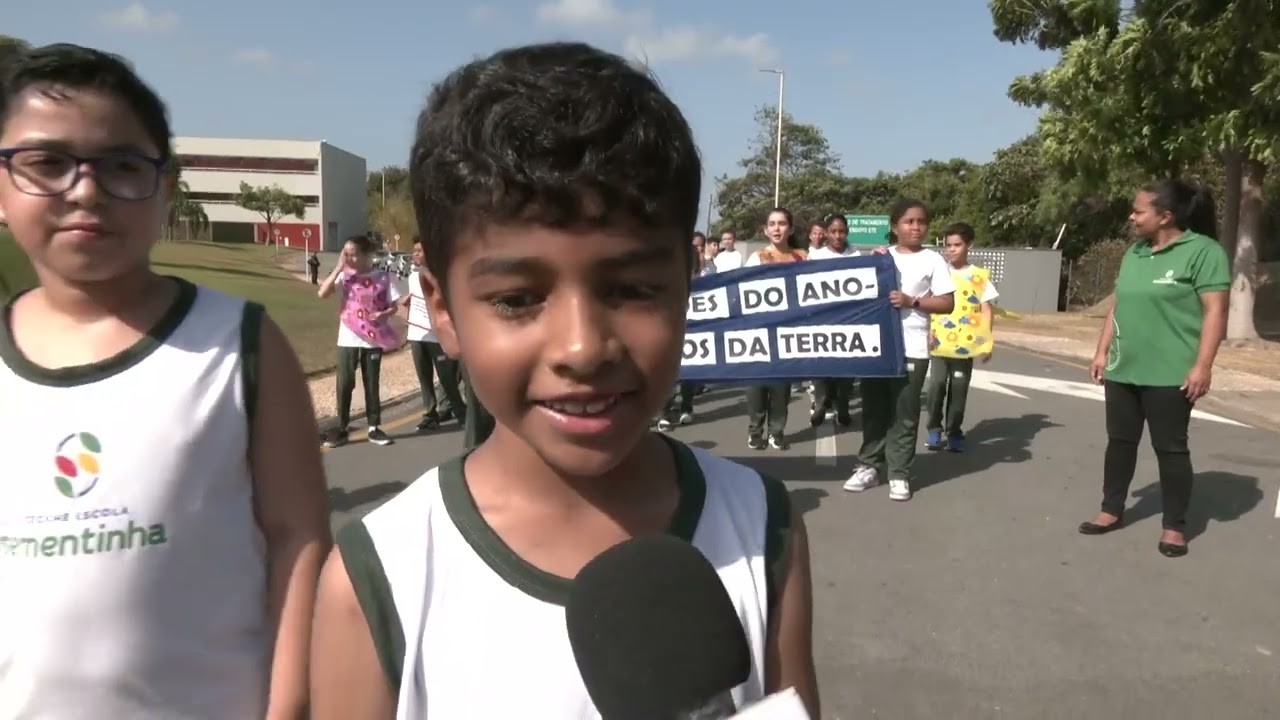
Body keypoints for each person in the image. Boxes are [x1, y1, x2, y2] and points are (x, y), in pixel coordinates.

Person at [308, 42, 819, 720]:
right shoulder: (377, 578)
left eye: (634, 288)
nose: (583, 347)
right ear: (441, 307)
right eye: (518, 299)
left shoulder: (765, 528)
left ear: (687, 285)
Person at [0, 43, 330, 718]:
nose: (85, 189)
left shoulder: (239, 341)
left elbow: (299, 535)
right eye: (47, 164)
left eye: (122, 165)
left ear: (166, 188)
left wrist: (289, 706)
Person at [1079, 179, 1229, 558]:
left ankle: (1174, 527)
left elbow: (1215, 311)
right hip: (1123, 368)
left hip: (1171, 373)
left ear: (1166, 216)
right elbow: (1118, 306)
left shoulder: (1203, 252)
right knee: (1120, 442)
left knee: (1171, 449)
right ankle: (1111, 509)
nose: (1132, 216)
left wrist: (1203, 366)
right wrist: (1101, 352)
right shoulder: (1135, 252)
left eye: (1139, 210)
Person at [843, 198, 955, 502]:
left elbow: (947, 303)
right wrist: (872, 264)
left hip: (914, 346)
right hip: (877, 347)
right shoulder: (880, 257)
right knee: (875, 410)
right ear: (895, 226)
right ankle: (869, 466)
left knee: (904, 413)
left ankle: (900, 473)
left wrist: (912, 301)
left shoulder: (933, 260)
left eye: (921, 222)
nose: (916, 227)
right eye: (909, 222)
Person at [317, 234, 403, 447]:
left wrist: (385, 315)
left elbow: (393, 306)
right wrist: (338, 268)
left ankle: (374, 426)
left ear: (366, 255)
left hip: (373, 339)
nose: (349, 258)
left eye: (352, 254)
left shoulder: (383, 277)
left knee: (371, 383)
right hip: (347, 338)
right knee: (345, 384)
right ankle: (343, 426)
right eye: (345, 254)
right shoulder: (344, 276)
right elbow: (322, 293)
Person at [925, 222, 999, 452]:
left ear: (969, 245)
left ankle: (954, 431)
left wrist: (987, 343)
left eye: (957, 245)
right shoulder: (939, 272)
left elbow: (987, 309)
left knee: (959, 388)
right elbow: (928, 303)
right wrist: (928, 332)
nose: (951, 249)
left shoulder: (979, 277)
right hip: (940, 344)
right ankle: (934, 430)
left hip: (965, 347)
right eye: (948, 245)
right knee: (936, 386)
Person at [743, 207, 807, 450]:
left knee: (781, 387)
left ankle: (777, 431)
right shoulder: (757, 257)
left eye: (782, 224)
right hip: (759, 329)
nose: (777, 228)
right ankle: (755, 430)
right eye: (772, 224)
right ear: (766, 229)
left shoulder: (802, 257)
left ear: (790, 229)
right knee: (756, 384)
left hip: (788, 331)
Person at [403, 236, 466, 432]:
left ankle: (462, 413)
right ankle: (430, 415)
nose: (416, 255)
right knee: (424, 378)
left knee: (446, 378)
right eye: (414, 251)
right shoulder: (412, 277)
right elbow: (411, 299)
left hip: (436, 336)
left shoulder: (441, 276)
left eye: (420, 251)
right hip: (416, 336)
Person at [807, 213, 861, 427]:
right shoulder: (816, 257)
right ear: (827, 233)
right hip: (822, 320)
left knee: (847, 369)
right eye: (833, 231)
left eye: (842, 231)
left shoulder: (856, 256)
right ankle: (821, 403)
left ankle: (843, 407)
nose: (838, 235)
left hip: (849, 320)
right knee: (821, 366)